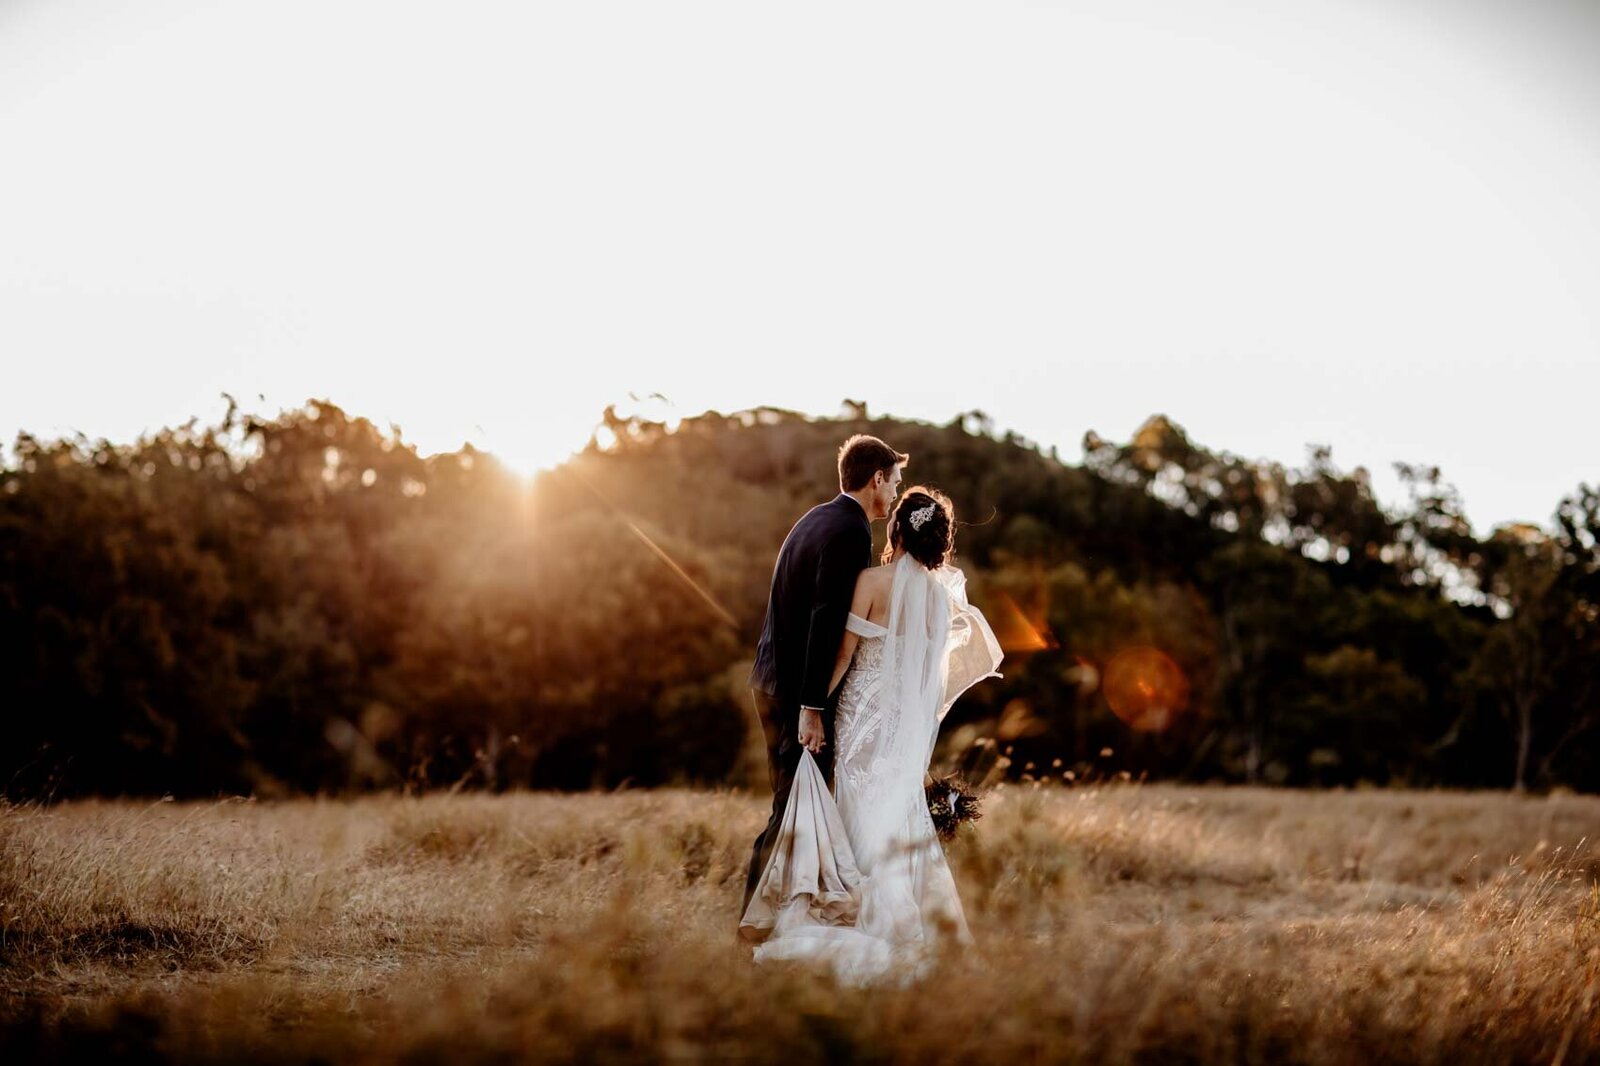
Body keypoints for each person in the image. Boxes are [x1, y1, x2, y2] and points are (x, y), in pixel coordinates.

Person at [740, 487, 1004, 986]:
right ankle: (910, 925)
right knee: (897, 817)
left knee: (854, 813)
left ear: (897, 530)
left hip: (861, 724)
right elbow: (930, 680)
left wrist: (810, 708)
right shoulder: (941, 599)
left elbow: (842, 656)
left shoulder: (871, 581)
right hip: (902, 735)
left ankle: (852, 919)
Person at [740, 434, 907, 930]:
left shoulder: (815, 517)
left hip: (771, 680)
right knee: (792, 809)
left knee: (793, 805)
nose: (895, 493)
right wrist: (812, 706)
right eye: (894, 482)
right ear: (876, 478)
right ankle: (755, 928)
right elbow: (824, 618)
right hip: (795, 691)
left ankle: (784, 918)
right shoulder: (851, 532)